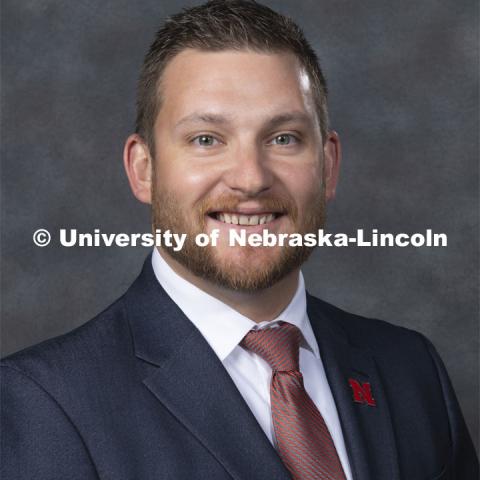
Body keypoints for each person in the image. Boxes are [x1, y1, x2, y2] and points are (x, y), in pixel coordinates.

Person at [1, 1, 478, 479]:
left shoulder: (410, 370)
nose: (250, 179)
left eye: (284, 138)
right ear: (143, 169)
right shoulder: (43, 402)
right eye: (206, 139)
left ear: (328, 166)